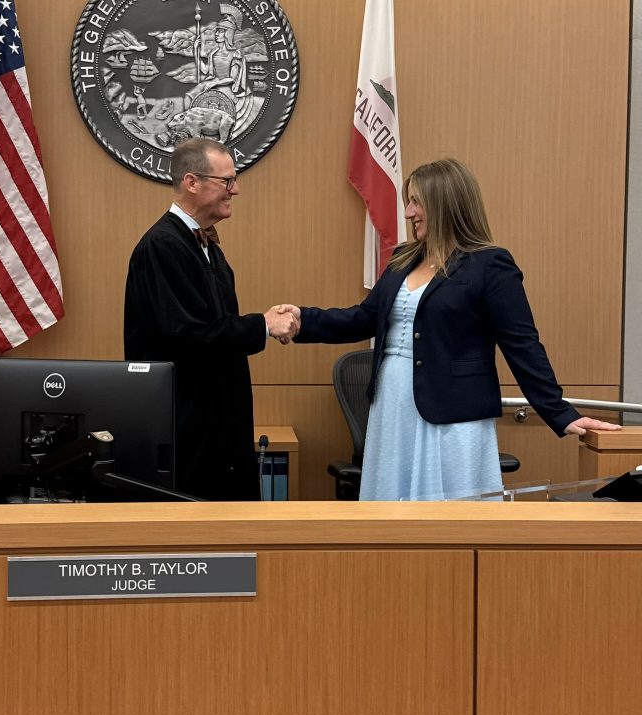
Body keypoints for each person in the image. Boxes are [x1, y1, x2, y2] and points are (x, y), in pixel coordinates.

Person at [283, 158, 621, 501]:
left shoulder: (490, 265)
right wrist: (302, 320)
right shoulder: (403, 259)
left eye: (416, 202)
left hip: (453, 414)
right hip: (393, 403)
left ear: (444, 204)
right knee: (390, 508)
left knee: (451, 517)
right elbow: (363, 318)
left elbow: (522, 344)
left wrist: (560, 413)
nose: (408, 212)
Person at [123, 138, 297, 500]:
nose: (236, 189)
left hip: (217, 418)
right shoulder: (163, 245)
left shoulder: (205, 245)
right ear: (192, 182)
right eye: (227, 181)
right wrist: (263, 325)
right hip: (186, 425)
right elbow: (188, 333)